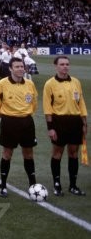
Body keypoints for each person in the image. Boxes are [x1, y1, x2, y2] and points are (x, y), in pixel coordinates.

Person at [0, 57, 39, 197]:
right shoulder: (1, 84)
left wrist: (25, 114)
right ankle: (3, 185)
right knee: (7, 153)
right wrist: (6, 116)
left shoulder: (30, 84)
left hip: (27, 122)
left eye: (21, 66)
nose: (20, 69)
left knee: (28, 153)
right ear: (10, 69)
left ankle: (33, 184)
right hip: (9, 122)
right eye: (17, 67)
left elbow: (34, 103)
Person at [43, 55, 88, 196]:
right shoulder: (49, 84)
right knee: (57, 153)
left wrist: (84, 123)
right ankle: (57, 184)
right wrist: (50, 128)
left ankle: (73, 185)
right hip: (59, 122)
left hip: (75, 121)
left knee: (74, 153)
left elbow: (81, 103)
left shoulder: (76, 82)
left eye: (67, 64)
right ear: (55, 66)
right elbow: (47, 108)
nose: (65, 66)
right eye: (62, 64)